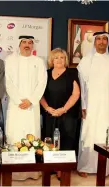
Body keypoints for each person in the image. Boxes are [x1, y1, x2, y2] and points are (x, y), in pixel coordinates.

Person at [76, 31, 109, 178]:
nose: (102, 42)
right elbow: (82, 86)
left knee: (108, 134)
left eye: (104, 39)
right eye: (99, 39)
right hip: (90, 106)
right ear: (94, 42)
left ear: (108, 42)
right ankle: (85, 166)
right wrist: (83, 106)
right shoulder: (85, 61)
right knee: (89, 134)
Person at [5, 35, 47, 180]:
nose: (27, 45)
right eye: (24, 42)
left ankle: (32, 171)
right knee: (14, 135)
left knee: (32, 135)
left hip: (32, 107)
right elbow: (7, 82)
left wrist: (31, 100)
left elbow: (42, 83)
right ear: (19, 44)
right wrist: (18, 100)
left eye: (30, 42)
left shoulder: (39, 62)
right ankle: (14, 172)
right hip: (15, 106)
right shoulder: (10, 60)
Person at [40, 48, 80, 180]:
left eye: (62, 57)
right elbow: (39, 94)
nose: (59, 60)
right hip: (50, 113)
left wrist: (63, 109)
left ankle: (62, 170)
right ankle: (51, 167)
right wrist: (47, 108)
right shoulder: (45, 74)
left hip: (67, 114)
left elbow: (76, 94)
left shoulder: (72, 73)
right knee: (49, 140)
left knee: (66, 140)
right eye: (56, 57)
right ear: (51, 60)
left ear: (66, 60)